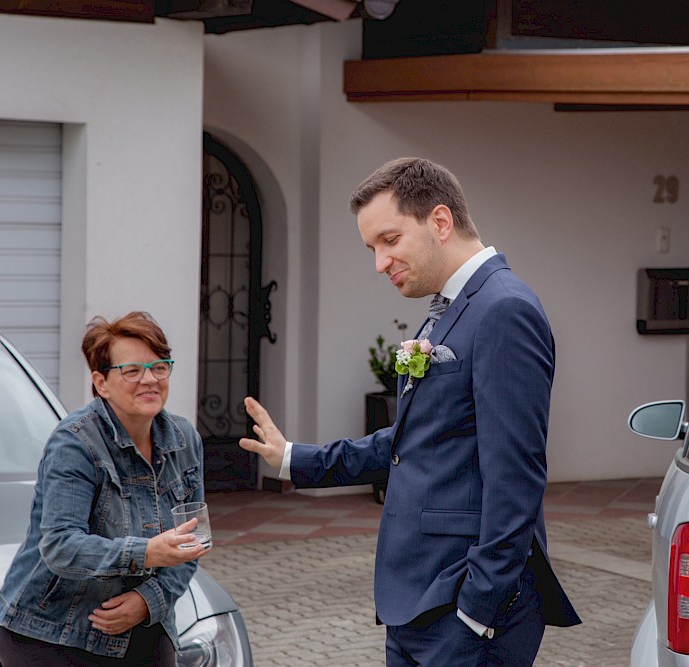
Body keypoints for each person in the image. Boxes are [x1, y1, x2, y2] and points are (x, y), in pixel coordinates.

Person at [240, 157, 580, 666]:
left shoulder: (503, 309)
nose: (380, 262)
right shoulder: (451, 309)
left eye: (389, 240)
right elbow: (415, 440)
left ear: (440, 222)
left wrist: (478, 610)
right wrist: (294, 458)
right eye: (372, 248)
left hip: (464, 614)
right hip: (417, 604)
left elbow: (517, 477)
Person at [0, 311, 209, 666]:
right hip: (51, 630)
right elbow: (61, 545)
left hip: (141, 621)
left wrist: (149, 600)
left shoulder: (184, 438)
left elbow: (194, 540)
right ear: (101, 382)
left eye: (159, 367)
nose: (149, 379)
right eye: (132, 371)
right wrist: (147, 553)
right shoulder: (75, 443)